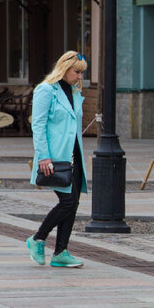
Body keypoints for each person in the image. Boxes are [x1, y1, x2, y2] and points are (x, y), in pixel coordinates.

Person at [26, 51, 89, 268]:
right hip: (55, 157)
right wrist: (43, 156)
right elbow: (38, 125)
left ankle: (61, 251)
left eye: (82, 73)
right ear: (64, 68)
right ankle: (37, 239)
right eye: (77, 72)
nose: (80, 77)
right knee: (67, 202)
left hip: (74, 156)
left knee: (73, 204)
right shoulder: (46, 90)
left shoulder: (73, 92)